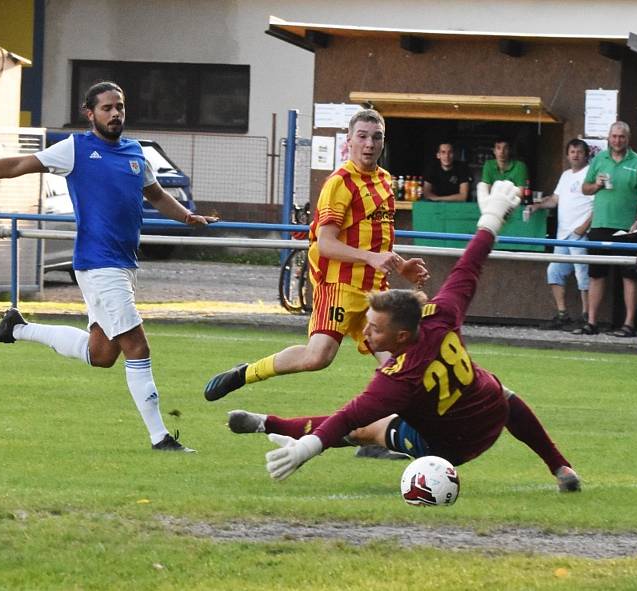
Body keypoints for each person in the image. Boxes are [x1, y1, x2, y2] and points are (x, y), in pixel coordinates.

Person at [227, 181, 581, 493]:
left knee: (366, 430)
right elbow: (470, 263)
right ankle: (561, 467)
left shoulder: (397, 379)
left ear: (401, 336)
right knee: (500, 391)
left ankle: (267, 423)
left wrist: (308, 447)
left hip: (450, 447)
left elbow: (347, 418)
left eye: (375, 329)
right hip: (491, 412)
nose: (365, 332)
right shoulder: (440, 313)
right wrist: (492, 217)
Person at [0, 81, 217, 452]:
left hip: (123, 265)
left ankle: (16, 329)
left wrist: (187, 216)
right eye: (107, 108)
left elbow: (156, 194)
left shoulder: (135, 153)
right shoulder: (76, 150)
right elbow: (18, 164)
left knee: (101, 355)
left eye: (120, 107)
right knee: (137, 346)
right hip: (99, 265)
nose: (116, 114)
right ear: (89, 113)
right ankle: (160, 437)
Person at [203, 109, 429, 403]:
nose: (369, 144)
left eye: (376, 137)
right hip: (338, 287)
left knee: (395, 362)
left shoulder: (385, 181)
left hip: (375, 291)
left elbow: (377, 242)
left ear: (383, 142)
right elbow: (325, 244)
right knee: (317, 357)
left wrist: (402, 266)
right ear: (349, 141)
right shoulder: (340, 183)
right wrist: (370, 258)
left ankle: (379, 435)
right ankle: (245, 373)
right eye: (362, 137)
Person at [574, 121, 637, 337]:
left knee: (630, 276)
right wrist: (597, 185)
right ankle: (591, 322)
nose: (617, 140)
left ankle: (628, 324)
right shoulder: (599, 159)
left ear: (628, 139)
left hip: (628, 228)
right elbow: (585, 189)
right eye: (614, 136)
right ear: (609, 138)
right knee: (596, 275)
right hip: (600, 225)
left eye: (621, 137)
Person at [530, 139, 594, 330]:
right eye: (572, 151)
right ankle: (562, 314)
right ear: (567, 155)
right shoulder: (566, 175)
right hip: (563, 234)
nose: (575, 155)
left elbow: (599, 204)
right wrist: (538, 205)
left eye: (579, 152)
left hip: (580, 233)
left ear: (586, 154)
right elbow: (555, 200)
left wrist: (584, 226)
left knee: (583, 274)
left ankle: (586, 317)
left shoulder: (591, 174)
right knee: (554, 271)